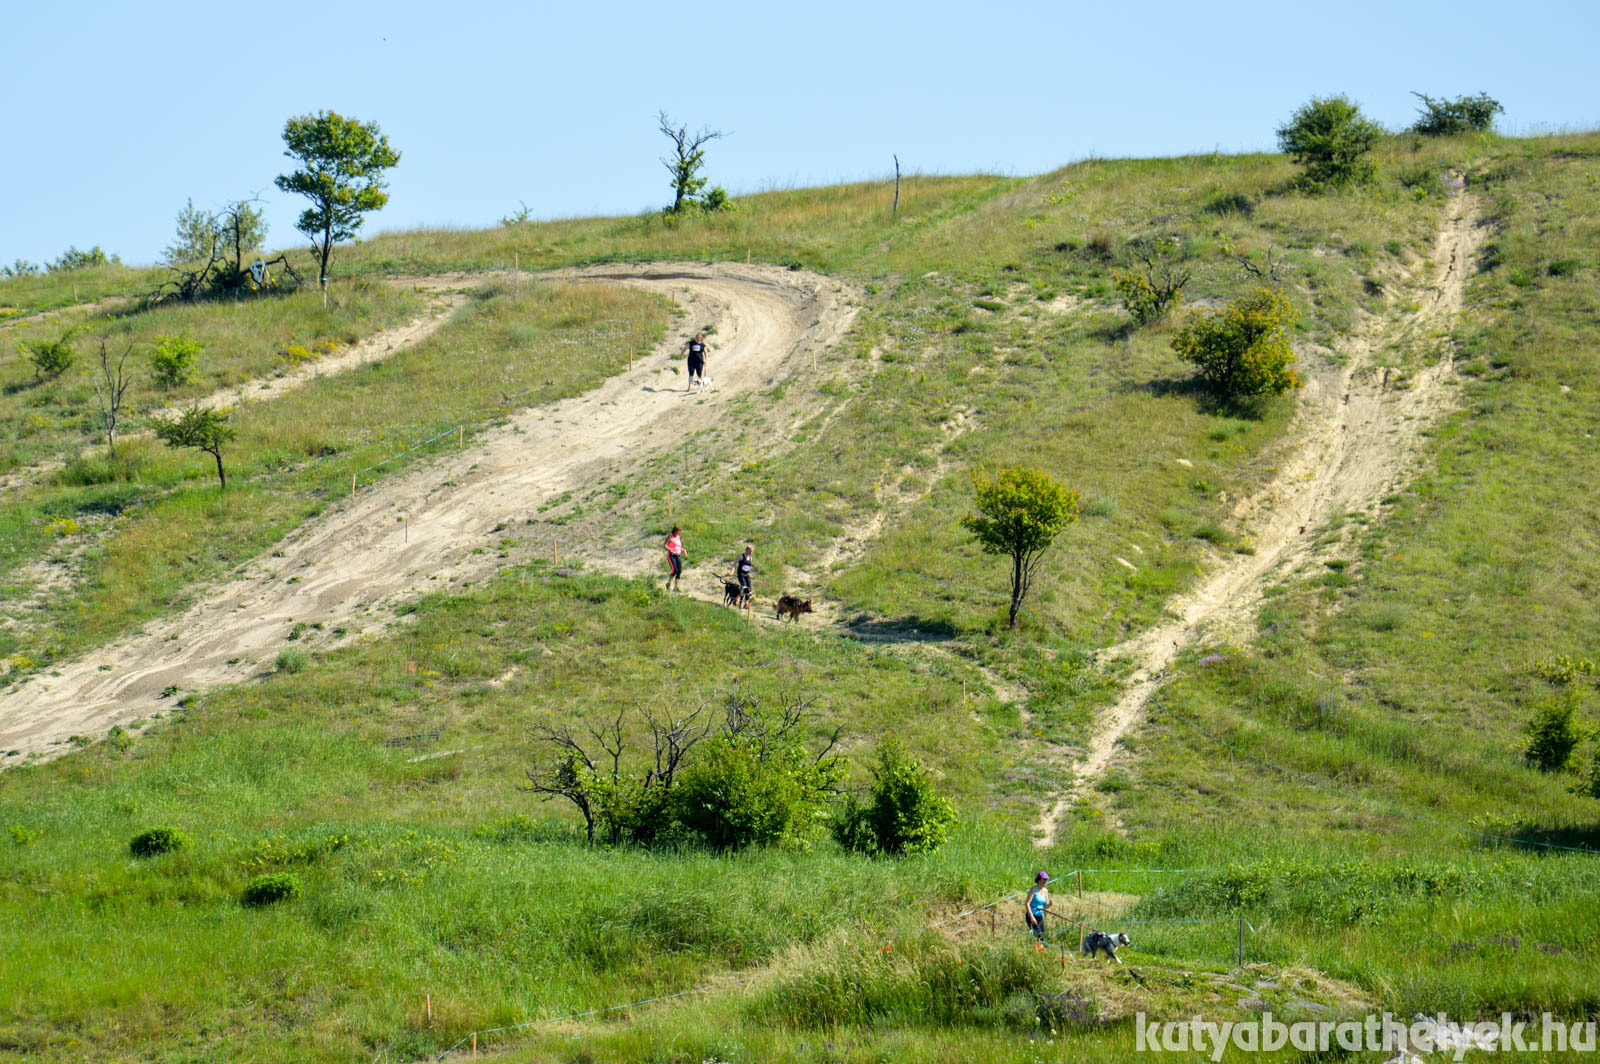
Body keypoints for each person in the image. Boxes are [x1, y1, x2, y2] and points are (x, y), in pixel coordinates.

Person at [1025, 870, 1051, 940]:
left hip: (1040, 916)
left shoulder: (1046, 891)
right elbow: (1027, 903)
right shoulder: (1033, 890)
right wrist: (1032, 917)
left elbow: (1045, 906)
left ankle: (1040, 950)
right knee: (1038, 935)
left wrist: (1050, 904)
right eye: (1044, 879)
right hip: (1032, 915)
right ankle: (1038, 949)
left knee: (1042, 935)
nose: (1046, 881)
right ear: (1039, 880)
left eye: (1047, 879)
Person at [733, 544, 754, 609]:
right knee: (744, 587)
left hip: (746, 574)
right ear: (746, 550)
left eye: (752, 551)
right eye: (750, 551)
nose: (751, 553)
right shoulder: (740, 556)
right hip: (740, 574)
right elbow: (734, 564)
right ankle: (736, 598)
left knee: (749, 588)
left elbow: (749, 567)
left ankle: (746, 603)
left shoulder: (750, 558)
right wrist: (731, 571)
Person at [664, 525, 685, 591]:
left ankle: (676, 587)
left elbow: (678, 546)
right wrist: (670, 549)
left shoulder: (678, 537)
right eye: (678, 531)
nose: (679, 533)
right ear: (675, 531)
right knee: (675, 570)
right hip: (671, 555)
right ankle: (668, 583)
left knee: (679, 570)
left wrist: (683, 550)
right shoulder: (670, 537)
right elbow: (665, 545)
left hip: (678, 555)